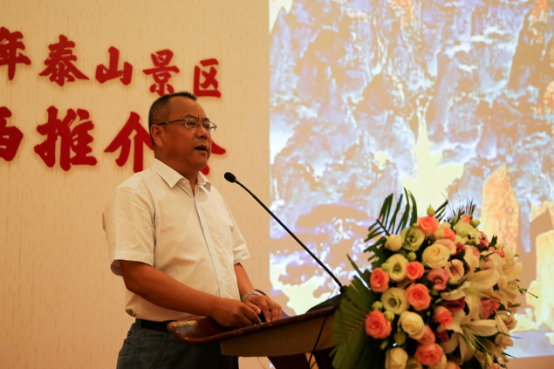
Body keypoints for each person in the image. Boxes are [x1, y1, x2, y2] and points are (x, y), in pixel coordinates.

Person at [103, 91, 282, 369]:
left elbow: (232, 259)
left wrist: (248, 295)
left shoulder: (212, 195)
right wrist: (214, 306)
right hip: (166, 345)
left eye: (207, 125)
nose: (203, 133)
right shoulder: (136, 193)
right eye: (190, 123)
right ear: (158, 134)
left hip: (221, 342)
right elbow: (137, 276)